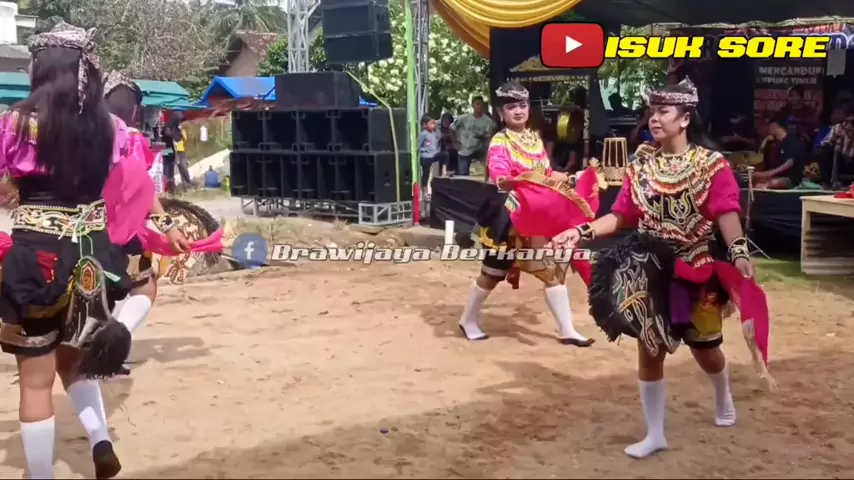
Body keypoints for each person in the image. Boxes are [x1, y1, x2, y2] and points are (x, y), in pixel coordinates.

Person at [549, 77, 773, 460]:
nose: (654, 118)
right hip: (651, 269)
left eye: (663, 111)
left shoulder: (710, 165)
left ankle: (723, 394)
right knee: (649, 347)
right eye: (651, 112)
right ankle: (655, 433)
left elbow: (726, 211)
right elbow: (621, 215)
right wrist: (581, 230)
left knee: (705, 349)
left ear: (684, 119)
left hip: (696, 266)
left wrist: (738, 250)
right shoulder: (641, 164)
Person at [0, 22, 135, 479]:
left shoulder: (16, 123)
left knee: (36, 382)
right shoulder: (112, 127)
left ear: (40, 69)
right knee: (76, 358)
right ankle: (101, 442)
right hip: (93, 256)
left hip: (38, 258)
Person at [457, 81, 595, 347]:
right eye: (511, 107)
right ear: (501, 113)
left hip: (537, 214)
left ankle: (567, 329)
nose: (518, 111)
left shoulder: (534, 138)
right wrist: (518, 181)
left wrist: (572, 177)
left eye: (522, 105)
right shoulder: (500, 141)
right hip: (511, 215)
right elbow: (500, 176)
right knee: (492, 272)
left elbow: (546, 172)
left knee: (551, 269)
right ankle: (468, 319)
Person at [103, 70, 192, 350]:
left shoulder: (81, 135)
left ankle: (100, 343)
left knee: (97, 294)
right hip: (126, 234)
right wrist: (170, 228)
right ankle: (113, 340)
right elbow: (144, 190)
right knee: (144, 286)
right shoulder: (132, 140)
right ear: (135, 110)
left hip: (84, 231)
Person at [755, 114, 806, 189]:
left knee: (774, 183)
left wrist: (769, 173)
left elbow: (790, 162)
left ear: (774, 126)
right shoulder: (778, 143)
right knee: (755, 180)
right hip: (777, 176)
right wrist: (765, 141)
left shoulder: (791, 141)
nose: (768, 129)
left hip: (790, 179)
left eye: (770, 126)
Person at [451, 96, 494, 176]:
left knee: (479, 175)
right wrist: (455, 143)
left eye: (481, 104)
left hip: (479, 151)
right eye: (477, 104)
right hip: (464, 150)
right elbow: (452, 128)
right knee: (463, 175)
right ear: (472, 105)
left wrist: (486, 152)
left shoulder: (488, 121)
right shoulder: (463, 118)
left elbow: (488, 137)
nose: (479, 106)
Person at [818, 105, 854, 188]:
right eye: (847, 121)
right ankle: (828, 182)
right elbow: (825, 143)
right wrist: (834, 140)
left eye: (852, 122)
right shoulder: (838, 127)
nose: (849, 125)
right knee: (826, 149)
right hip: (841, 160)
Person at [418, 115, 440, 199]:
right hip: (426, 157)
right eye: (431, 123)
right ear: (425, 125)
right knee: (425, 175)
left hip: (433, 156)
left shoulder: (433, 133)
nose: (433, 125)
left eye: (434, 123)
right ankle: (424, 192)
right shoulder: (423, 134)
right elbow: (419, 145)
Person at [439, 112, 458, 177]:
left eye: (448, 122)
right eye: (445, 121)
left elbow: (455, 142)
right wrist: (441, 137)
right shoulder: (439, 129)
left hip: (452, 153)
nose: (446, 123)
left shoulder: (453, 130)